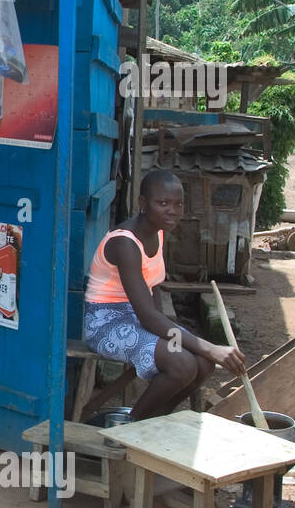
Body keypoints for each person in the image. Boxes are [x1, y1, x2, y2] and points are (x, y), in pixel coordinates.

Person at [82, 169, 246, 421]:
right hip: (107, 322)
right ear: (143, 204)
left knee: (203, 364)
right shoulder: (125, 243)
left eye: (178, 204)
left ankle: (157, 420)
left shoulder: (157, 231)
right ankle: (132, 425)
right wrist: (211, 347)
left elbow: (154, 288)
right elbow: (148, 316)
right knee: (183, 364)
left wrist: (176, 337)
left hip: (139, 317)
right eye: (163, 203)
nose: (173, 210)